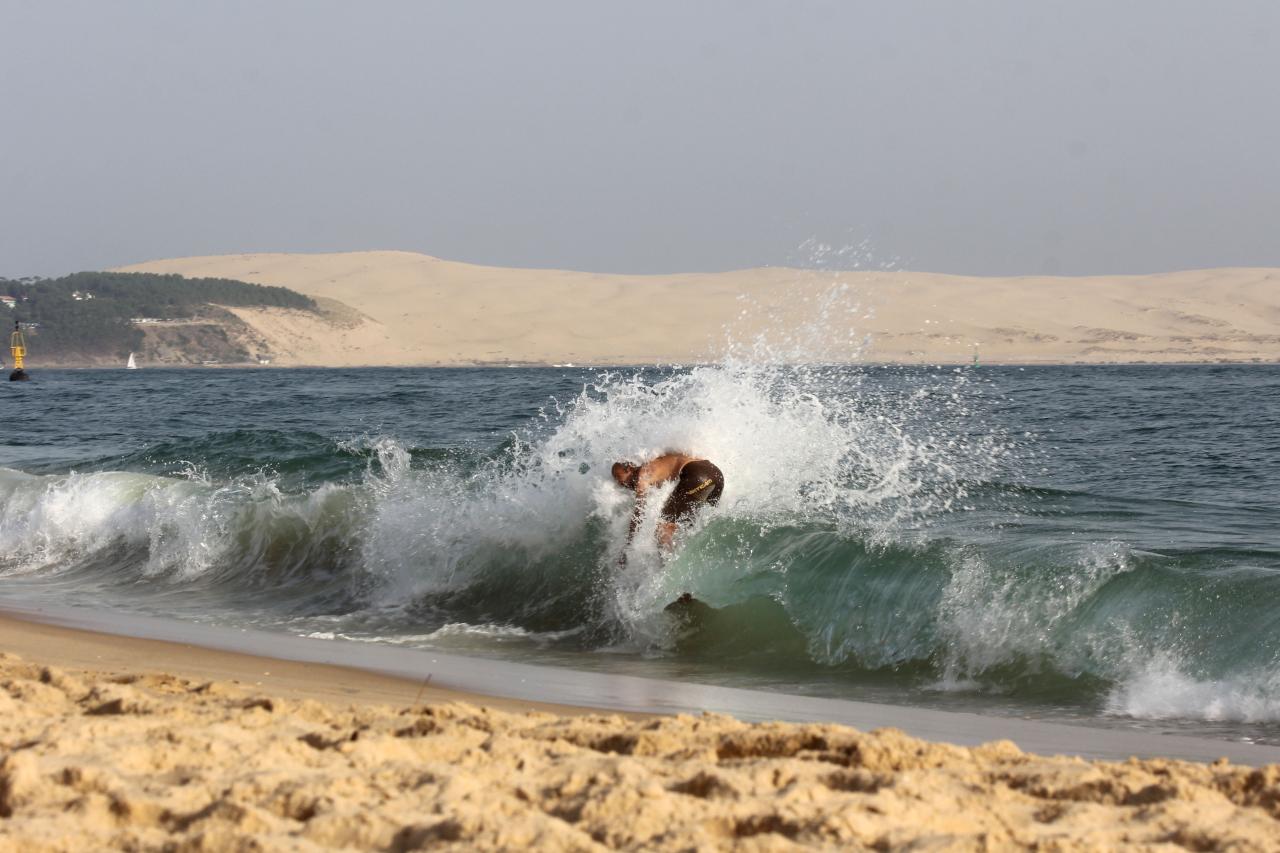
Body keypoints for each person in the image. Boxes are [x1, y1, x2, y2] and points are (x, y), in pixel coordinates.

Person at [611, 453, 724, 550]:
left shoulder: (642, 476)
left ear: (629, 469)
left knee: (662, 529)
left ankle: (669, 569)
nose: (621, 484)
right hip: (715, 473)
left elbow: (638, 513)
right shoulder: (657, 460)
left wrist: (629, 544)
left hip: (696, 476)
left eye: (618, 477)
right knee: (706, 519)